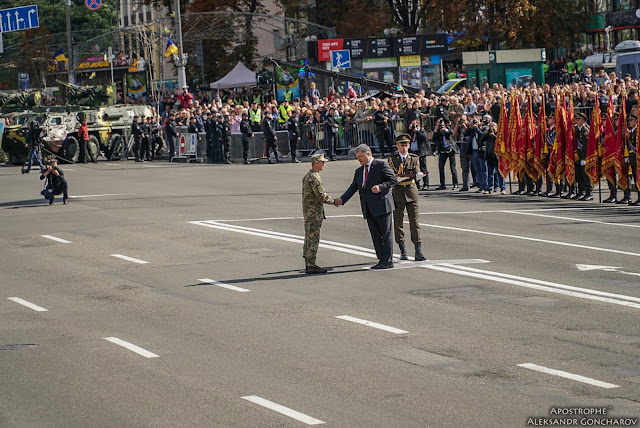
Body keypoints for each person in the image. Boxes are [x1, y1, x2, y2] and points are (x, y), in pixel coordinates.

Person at [335, 144, 398, 270]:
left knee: (386, 234)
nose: (359, 160)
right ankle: (381, 259)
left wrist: (380, 187)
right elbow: (353, 187)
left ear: (368, 154)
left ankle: (388, 260)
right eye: (357, 157)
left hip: (382, 205)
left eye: (361, 157)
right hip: (368, 207)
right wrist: (342, 200)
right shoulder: (359, 171)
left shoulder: (381, 166)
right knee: (375, 235)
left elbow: (393, 180)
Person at [387, 134, 426, 261]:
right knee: (398, 222)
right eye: (402, 145)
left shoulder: (414, 158)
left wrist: (418, 175)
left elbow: (416, 171)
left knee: (414, 222)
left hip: (411, 191)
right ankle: (403, 250)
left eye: (406, 145)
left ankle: (418, 250)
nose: (404, 147)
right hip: (398, 192)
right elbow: (393, 175)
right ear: (397, 146)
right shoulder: (392, 159)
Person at [302, 153, 336, 274]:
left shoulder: (308, 176)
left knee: (308, 236)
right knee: (313, 238)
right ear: (316, 163)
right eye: (322, 162)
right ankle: (311, 264)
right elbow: (321, 195)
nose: (324, 164)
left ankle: (308, 261)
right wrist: (334, 201)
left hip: (308, 211)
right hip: (314, 212)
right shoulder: (315, 177)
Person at [433, 118, 459, 190]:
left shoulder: (448, 129)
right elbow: (434, 138)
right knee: (441, 168)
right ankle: (442, 184)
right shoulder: (437, 132)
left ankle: (455, 184)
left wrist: (445, 130)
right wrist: (435, 130)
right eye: (439, 124)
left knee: (452, 168)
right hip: (442, 151)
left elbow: (450, 134)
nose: (440, 126)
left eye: (441, 124)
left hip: (450, 149)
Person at [574, 112, 593, 201]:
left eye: (579, 119)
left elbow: (586, 146)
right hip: (578, 156)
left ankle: (589, 193)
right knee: (579, 175)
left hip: (583, 157)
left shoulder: (585, 131)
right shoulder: (578, 130)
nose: (577, 121)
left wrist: (584, 158)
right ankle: (581, 192)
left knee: (586, 175)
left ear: (583, 120)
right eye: (576, 119)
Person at [409, 118, 429, 190]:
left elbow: (424, 138)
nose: (414, 126)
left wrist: (417, 131)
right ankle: (417, 184)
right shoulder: (411, 132)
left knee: (423, 168)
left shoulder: (422, 131)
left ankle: (426, 184)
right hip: (412, 153)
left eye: (415, 125)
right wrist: (409, 129)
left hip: (420, 152)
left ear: (419, 125)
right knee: (414, 169)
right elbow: (406, 137)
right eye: (413, 125)